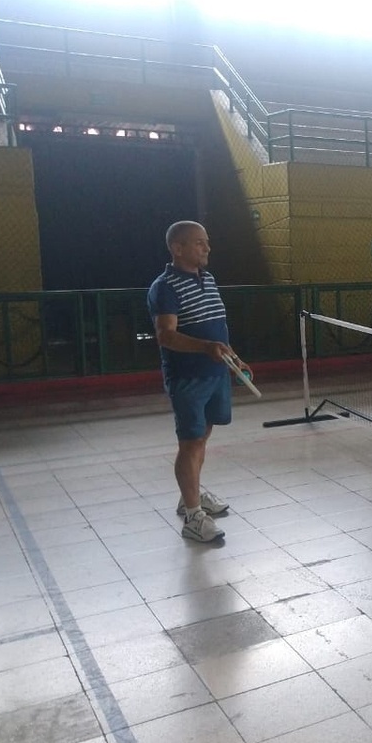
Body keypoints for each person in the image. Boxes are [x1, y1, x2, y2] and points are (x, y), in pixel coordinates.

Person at [148, 221, 243, 543]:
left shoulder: (209, 279)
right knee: (190, 443)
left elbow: (216, 327)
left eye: (207, 242)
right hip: (188, 378)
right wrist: (205, 348)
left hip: (215, 373)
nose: (207, 248)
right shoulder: (165, 287)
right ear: (178, 248)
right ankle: (193, 516)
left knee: (202, 436)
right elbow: (166, 336)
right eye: (199, 243)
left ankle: (190, 494)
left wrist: (234, 358)